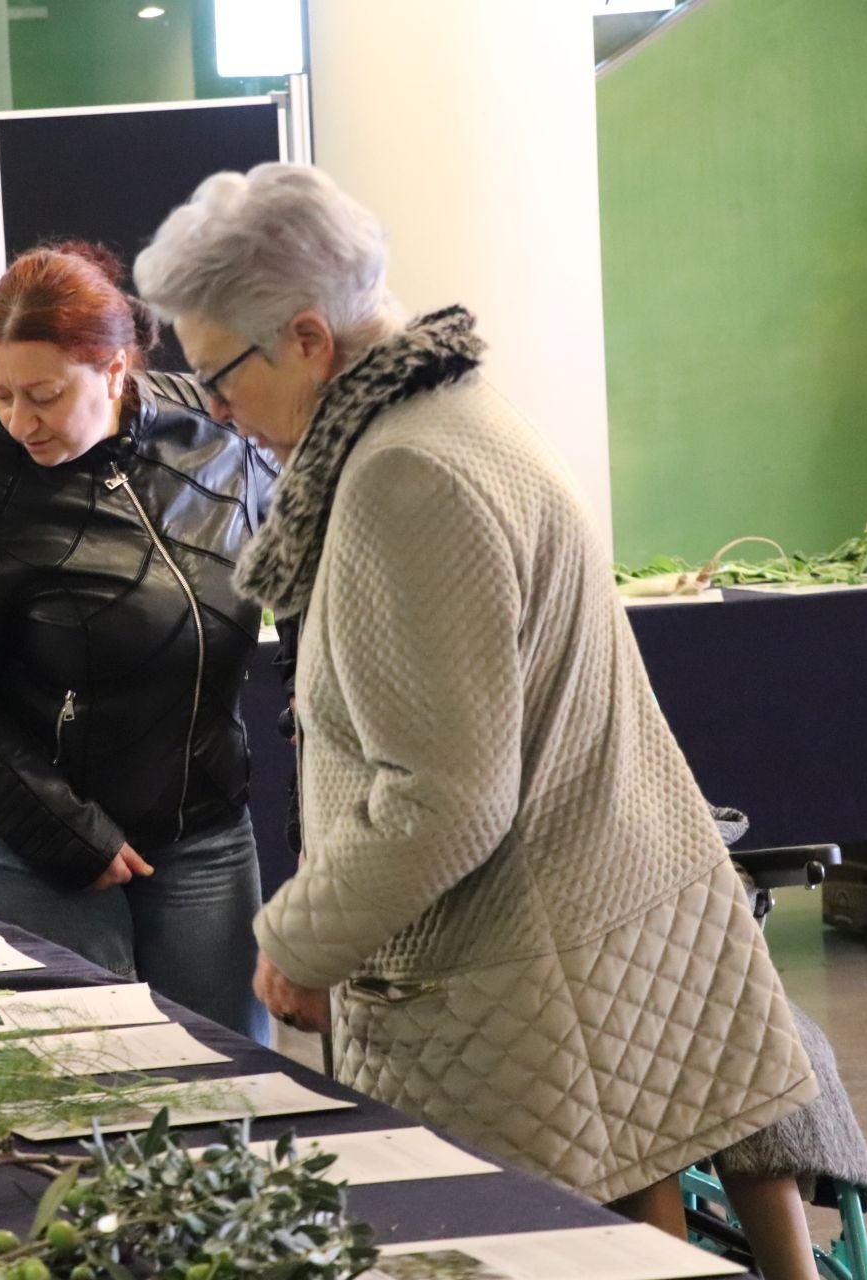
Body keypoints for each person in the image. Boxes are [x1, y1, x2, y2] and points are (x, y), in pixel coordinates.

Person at [133, 163, 816, 1227]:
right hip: (581, 930)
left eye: (222, 376)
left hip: (520, 972)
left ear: (309, 338)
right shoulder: (460, 408)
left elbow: (442, 793)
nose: (217, 410)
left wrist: (301, 937)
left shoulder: (405, 476)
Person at [0, 244, 274, 1038]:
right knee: (96, 1073)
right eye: (0, 395)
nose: (18, 421)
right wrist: (67, 831)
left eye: (42, 395)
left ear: (112, 370)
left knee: (237, 1073)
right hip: (26, 824)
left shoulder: (213, 431)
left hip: (199, 814)